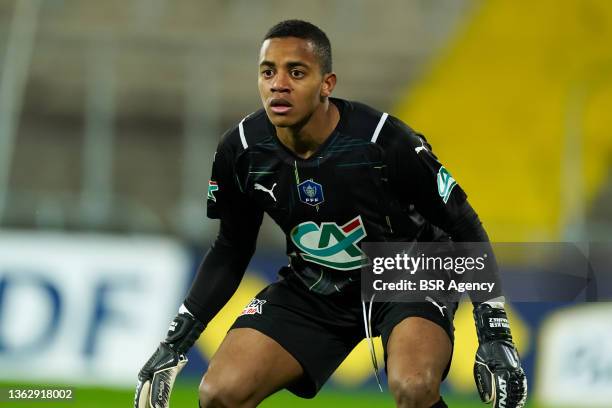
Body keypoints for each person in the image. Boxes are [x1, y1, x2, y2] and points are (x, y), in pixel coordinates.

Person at [134, 20, 527, 408]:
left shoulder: (383, 142)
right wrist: (176, 341)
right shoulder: (241, 151)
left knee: (413, 385)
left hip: (407, 272)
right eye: (268, 72)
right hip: (316, 281)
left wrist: (494, 331)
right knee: (220, 392)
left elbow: (462, 222)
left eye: (296, 72)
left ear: (327, 84)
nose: (279, 84)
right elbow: (232, 246)